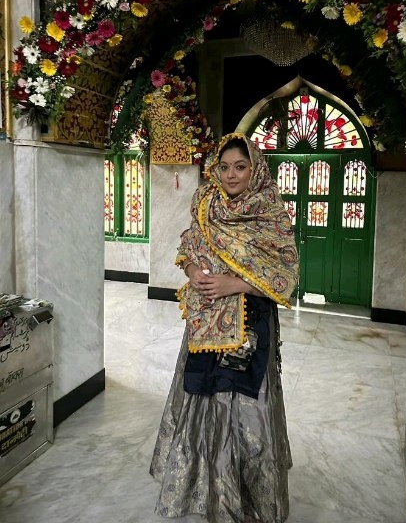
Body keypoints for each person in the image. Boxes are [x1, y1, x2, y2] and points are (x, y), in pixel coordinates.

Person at [150, 132, 299, 523]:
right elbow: (188, 248)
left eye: (241, 166)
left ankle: (247, 498)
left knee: (245, 404)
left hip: (249, 322)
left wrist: (235, 283)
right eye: (225, 167)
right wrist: (194, 270)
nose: (231, 175)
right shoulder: (205, 202)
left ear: (255, 169)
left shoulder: (269, 210)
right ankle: (204, 489)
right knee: (203, 396)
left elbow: (286, 273)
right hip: (206, 324)